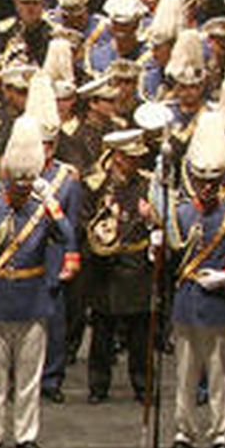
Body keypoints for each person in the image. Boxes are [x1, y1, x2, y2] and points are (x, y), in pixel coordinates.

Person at [0, 117, 73, 448]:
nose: (21, 192)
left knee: (29, 376)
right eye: (17, 186)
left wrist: (53, 205)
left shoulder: (42, 211)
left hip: (31, 298)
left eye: (27, 186)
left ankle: (26, 433)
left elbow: (68, 238)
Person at [165, 111, 225, 448]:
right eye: (202, 181)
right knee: (184, 375)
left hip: (219, 303)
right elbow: (170, 262)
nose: (208, 188)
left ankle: (220, 434)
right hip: (187, 300)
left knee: (218, 375)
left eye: (213, 181)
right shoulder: (179, 214)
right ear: (194, 180)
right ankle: (184, 430)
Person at [80, 129, 154, 404]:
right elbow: (83, 220)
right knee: (102, 331)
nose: (135, 164)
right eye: (130, 158)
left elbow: (161, 224)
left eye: (137, 158)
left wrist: (150, 218)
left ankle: (143, 385)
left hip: (136, 266)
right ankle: (98, 385)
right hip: (106, 267)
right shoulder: (96, 184)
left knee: (139, 335)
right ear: (118, 156)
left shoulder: (148, 184)